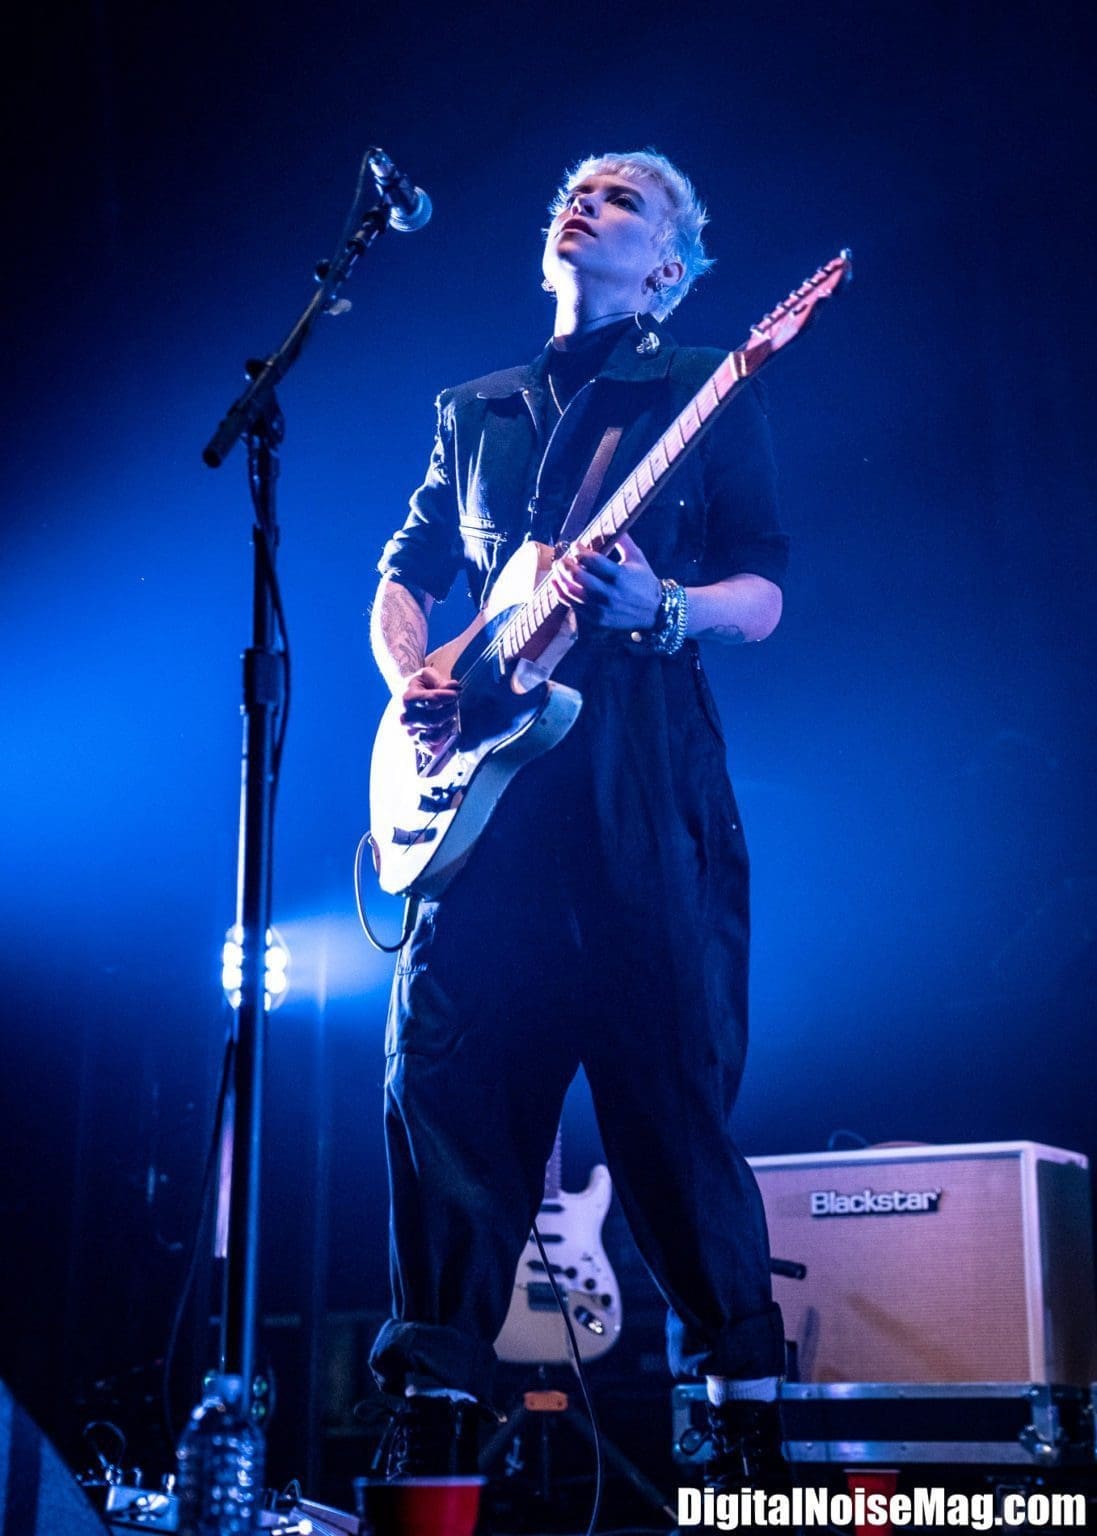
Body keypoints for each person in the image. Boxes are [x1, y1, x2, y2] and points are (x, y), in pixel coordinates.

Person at [367, 149, 790, 1490]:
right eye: (576, 187)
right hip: (485, 811)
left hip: (640, 790)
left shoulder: (706, 383)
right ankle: (434, 1428)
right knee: (442, 1093)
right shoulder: (475, 409)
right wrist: (413, 675)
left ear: (667, 265)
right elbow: (404, 574)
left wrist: (663, 608)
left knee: (671, 1110)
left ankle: (742, 1429)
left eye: (622, 197)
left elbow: (764, 590)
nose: (583, 199)